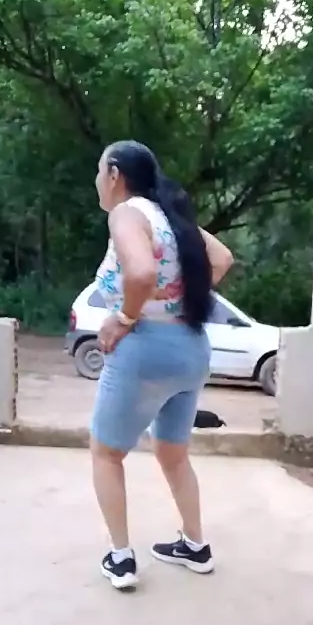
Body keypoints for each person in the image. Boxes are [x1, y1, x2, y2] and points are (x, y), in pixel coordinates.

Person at [92, 140, 234, 590]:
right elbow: (222, 259)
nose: (98, 181)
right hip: (190, 347)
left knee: (106, 453)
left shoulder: (128, 214)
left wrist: (126, 317)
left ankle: (121, 559)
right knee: (173, 453)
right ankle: (195, 546)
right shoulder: (171, 218)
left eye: (100, 171)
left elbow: (140, 274)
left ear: (115, 174)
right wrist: (178, 300)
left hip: (145, 351)